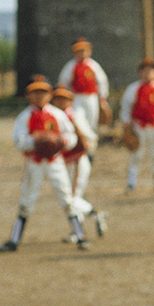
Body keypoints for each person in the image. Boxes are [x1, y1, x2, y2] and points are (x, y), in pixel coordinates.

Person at [0, 76, 93, 252]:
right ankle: (14, 240)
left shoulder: (57, 115)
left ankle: (80, 235)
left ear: (49, 95)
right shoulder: (25, 117)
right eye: (35, 93)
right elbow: (18, 142)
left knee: (66, 197)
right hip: (34, 162)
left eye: (43, 93)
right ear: (29, 96)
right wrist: (36, 141)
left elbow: (71, 137)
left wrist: (59, 141)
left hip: (54, 161)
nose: (39, 97)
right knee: (27, 200)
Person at [51, 85, 108, 242]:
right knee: (71, 198)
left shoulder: (74, 115)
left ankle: (94, 215)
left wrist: (88, 149)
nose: (60, 101)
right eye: (57, 98)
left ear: (70, 100)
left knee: (71, 199)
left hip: (77, 161)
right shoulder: (55, 116)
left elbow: (90, 137)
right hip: (66, 162)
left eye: (64, 98)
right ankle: (77, 230)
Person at [119, 58, 154, 193]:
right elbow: (126, 108)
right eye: (144, 70)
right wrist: (127, 126)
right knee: (136, 154)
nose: (147, 73)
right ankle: (132, 182)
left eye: (151, 70)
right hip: (138, 126)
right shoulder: (133, 88)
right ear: (140, 73)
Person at [57, 38, 109, 138]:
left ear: (89, 52)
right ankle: (87, 140)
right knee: (78, 119)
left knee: (92, 120)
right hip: (77, 97)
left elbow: (102, 81)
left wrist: (103, 96)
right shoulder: (71, 66)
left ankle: (91, 147)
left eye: (84, 51)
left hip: (92, 97)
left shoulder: (93, 65)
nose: (82, 53)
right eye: (79, 51)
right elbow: (63, 82)